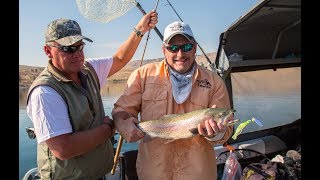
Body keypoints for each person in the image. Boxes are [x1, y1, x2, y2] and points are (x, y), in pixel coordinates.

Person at [26, 10, 158, 180]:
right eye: (67, 48)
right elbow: (63, 148)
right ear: (48, 50)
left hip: (98, 174)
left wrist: (140, 29)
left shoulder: (89, 69)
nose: (77, 53)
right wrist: (109, 128)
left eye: (80, 46)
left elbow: (119, 59)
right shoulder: (45, 92)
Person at [112, 21, 234, 180]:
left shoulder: (215, 82)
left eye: (187, 47)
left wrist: (215, 134)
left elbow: (225, 132)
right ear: (164, 50)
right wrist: (122, 124)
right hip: (154, 174)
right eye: (173, 48)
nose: (180, 54)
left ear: (195, 47)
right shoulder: (142, 75)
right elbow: (122, 111)